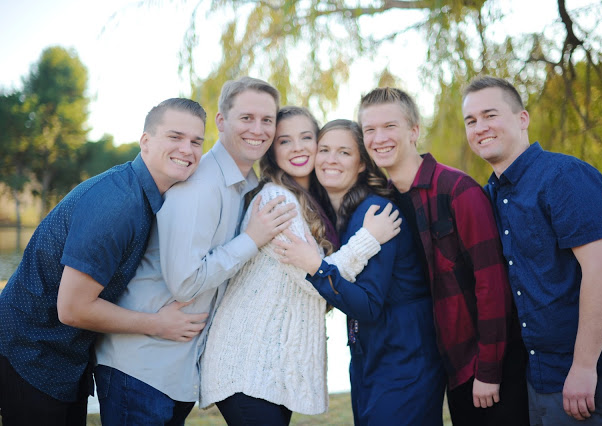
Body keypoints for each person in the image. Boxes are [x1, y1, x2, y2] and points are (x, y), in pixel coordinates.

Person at [93, 77, 300, 425]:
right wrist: (252, 238)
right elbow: (186, 283)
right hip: (142, 369)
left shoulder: (242, 185)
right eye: (246, 118)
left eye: (267, 120)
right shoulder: (201, 185)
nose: (258, 129)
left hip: (175, 369)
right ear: (221, 121)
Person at [0, 98, 208, 425]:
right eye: (175, 136)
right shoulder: (118, 204)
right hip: (30, 352)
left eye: (196, 142)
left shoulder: (145, 195)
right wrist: (159, 324)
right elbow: (73, 308)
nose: (187, 149)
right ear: (146, 141)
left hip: (64, 358)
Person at [199, 107, 401, 425]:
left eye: (306, 138)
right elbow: (314, 279)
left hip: (271, 369)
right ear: (272, 150)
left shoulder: (310, 202)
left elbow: (316, 269)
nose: (297, 148)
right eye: (284, 141)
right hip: (246, 365)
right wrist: (368, 239)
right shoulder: (278, 201)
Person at [462, 75, 602, 425]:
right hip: (542, 376)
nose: (480, 127)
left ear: (522, 119)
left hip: (595, 372)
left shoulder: (564, 176)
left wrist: (584, 367)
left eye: (490, 115)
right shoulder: (490, 196)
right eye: (471, 120)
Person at [356, 87, 529, 426]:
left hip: (485, 368)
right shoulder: (382, 206)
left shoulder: (458, 191)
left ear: (414, 131)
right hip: (441, 367)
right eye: (369, 130)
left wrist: (488, 371)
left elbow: (492, 285)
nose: (379, 138)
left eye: (390, 126)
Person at [275, 119, 446, 425]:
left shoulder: (375, 212)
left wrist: (315, 267)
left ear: (362, 164)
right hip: (371, 358)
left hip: (404, 360)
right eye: (325, 150)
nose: (331, 159)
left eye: (344, 152)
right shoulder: (339, 218)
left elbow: (367, 305)